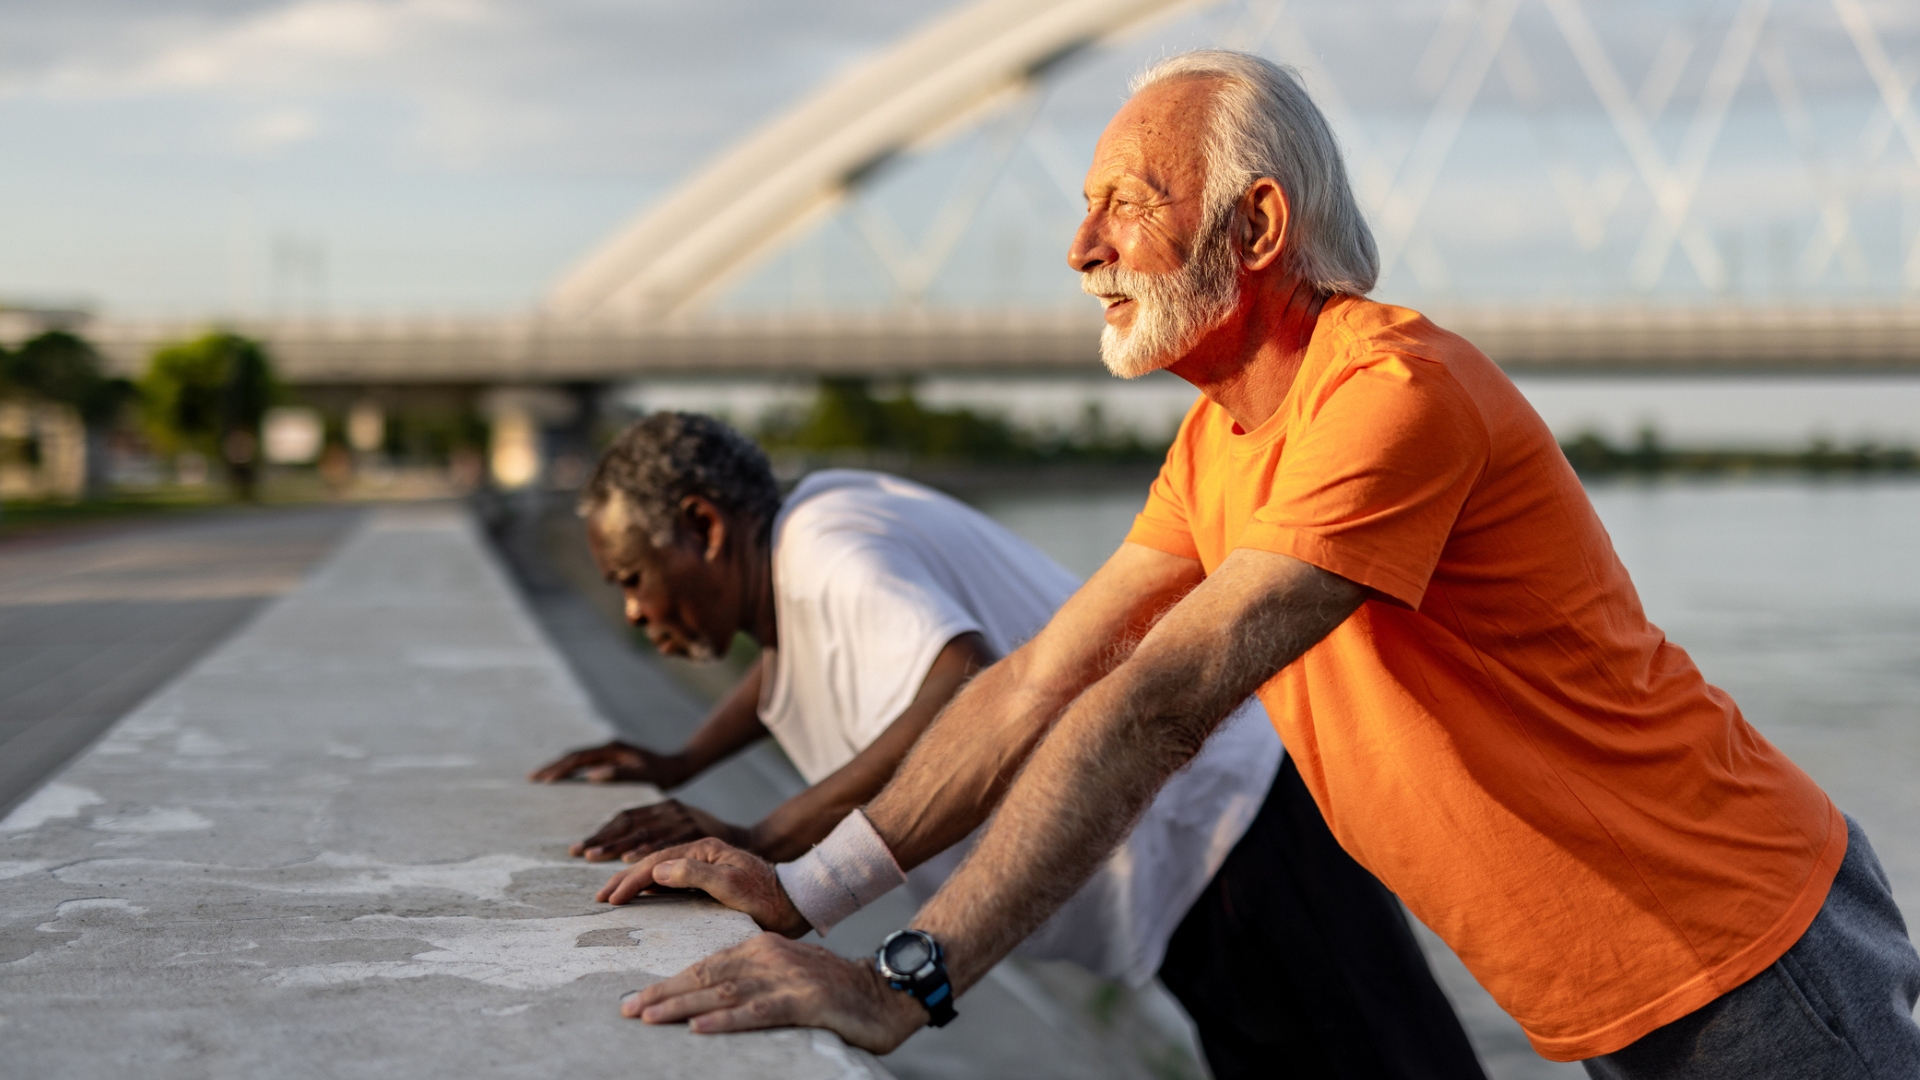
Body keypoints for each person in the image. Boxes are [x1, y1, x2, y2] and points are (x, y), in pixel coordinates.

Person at [600, 51, 1920, 1079]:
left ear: (1259, 221)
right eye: (1082, 210)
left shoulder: (1392, 395)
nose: (1081, 249)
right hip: (1636, 979)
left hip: (1750, 951)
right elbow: (1034, 685)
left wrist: (904, 984)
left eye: (1125, 202)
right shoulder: (1224, 440)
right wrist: (802, 885)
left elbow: (1155, 705)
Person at [537, 412, 1487, 1078]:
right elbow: (786, 668)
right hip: (1191, 854)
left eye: (632, 576)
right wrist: (679, 764)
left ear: (704, 526)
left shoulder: (833, 551)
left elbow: (960, 679)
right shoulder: (814, 542)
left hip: (1227, 844)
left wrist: (767, 838)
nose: (631, 608)